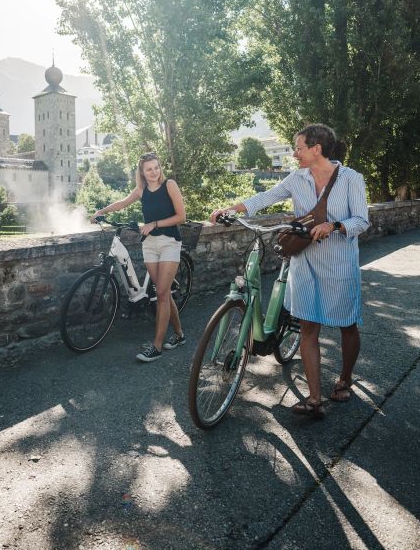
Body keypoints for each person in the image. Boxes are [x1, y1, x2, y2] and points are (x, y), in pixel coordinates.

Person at [211, 124, 370, 418]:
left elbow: (362, 220)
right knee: (308, 327)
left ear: (316, 149)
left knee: (347, 324)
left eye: (298, 148)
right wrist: (230, 210)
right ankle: (314, 399)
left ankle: (345, 378)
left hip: (340, 263)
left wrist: (334, 225)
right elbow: (264, 198)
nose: (294, 154)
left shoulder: (350, 179)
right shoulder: (297, 178)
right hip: (305, 261)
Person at [91, 152, 187, 362]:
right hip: (150, 246)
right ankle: (179, 335)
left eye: (156, 167)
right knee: (163, 293)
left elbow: (181, 216)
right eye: (149, 169)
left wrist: (155, 224)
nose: (154, 172)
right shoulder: (142, 190)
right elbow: (122, 203)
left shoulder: (169, 185)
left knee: (161, 293)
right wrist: (101, 211)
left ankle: (157, 346)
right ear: (142, 172)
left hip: (170, 243)